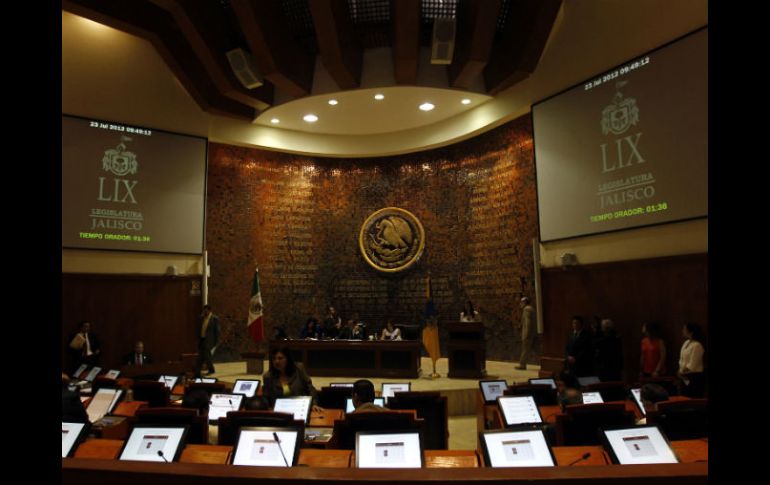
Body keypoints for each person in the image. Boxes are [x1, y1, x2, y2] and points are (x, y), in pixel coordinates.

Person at [677, 322, 705, 397]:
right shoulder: (686, 342)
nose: (683, 331)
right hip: (684, 375)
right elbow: (682, 359)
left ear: (691, 332)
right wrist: (680, 370)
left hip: (694, 377)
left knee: (692, 397)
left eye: (684, 329)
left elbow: (693, 364)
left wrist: (683, 371)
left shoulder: (697, 345)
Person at [196, 304, 220, 376]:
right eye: (204, 310)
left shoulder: (214, 318)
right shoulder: (202, 318)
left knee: (207, 356)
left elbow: (217, 331)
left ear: (209, 310)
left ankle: (211, 370)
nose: (204, 312)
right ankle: (197, 371)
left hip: (209, 340)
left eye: (206, 310)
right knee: (200, 356)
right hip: (202, 339)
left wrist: (216, 342)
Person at [516, 296, 535, 370]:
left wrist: (526, 334)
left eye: (521, 302)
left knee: (525, 349)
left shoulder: (527, 309)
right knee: (527, 349)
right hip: (532, 333)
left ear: (524, 302)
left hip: (528, 333)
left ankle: (522, 364)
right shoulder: (531, 308)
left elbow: (527, 323)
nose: (520, 304)